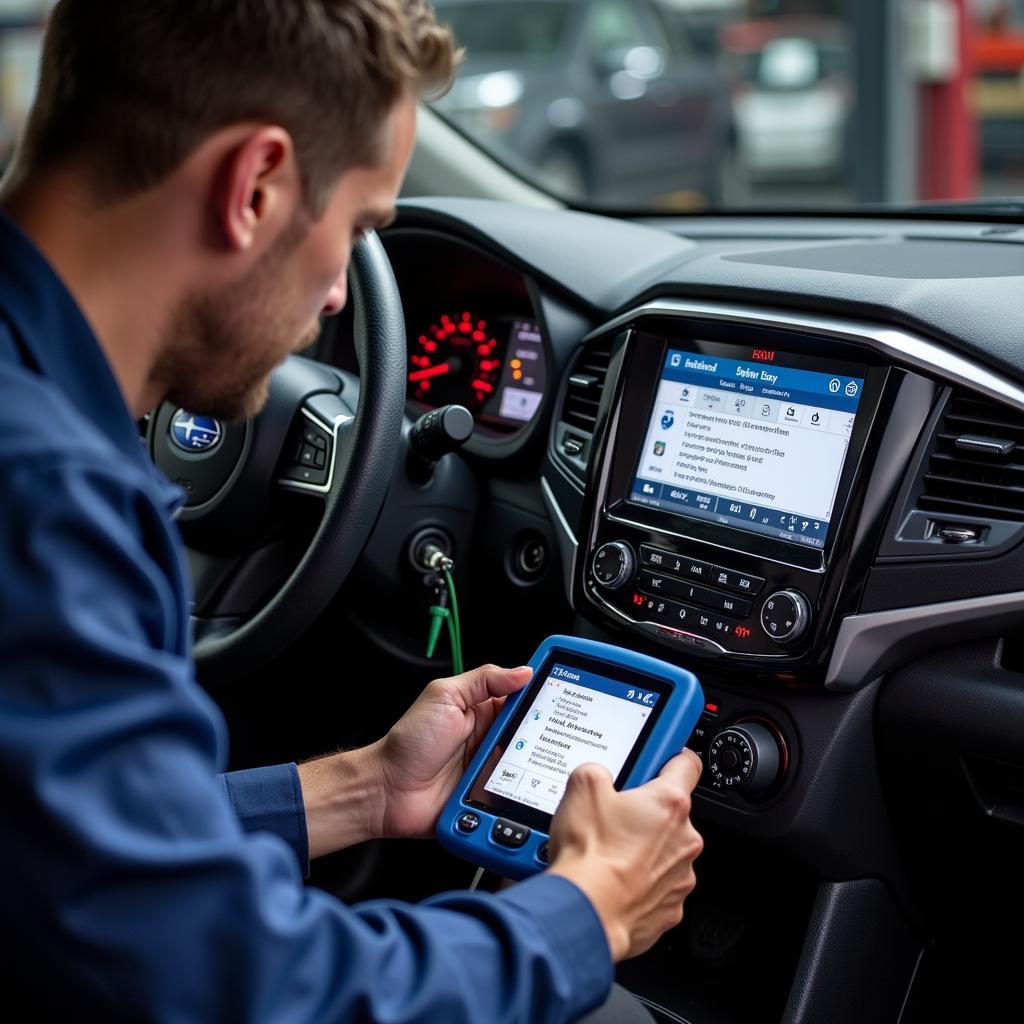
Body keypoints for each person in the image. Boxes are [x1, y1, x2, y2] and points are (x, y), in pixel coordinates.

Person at [0, 2, 704, 1021]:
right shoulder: (45, 494)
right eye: (360, 228)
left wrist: (364, 789)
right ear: (256, 185)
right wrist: (586, 910)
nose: (338, 295)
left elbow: (71, 852)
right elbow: (229, 988)